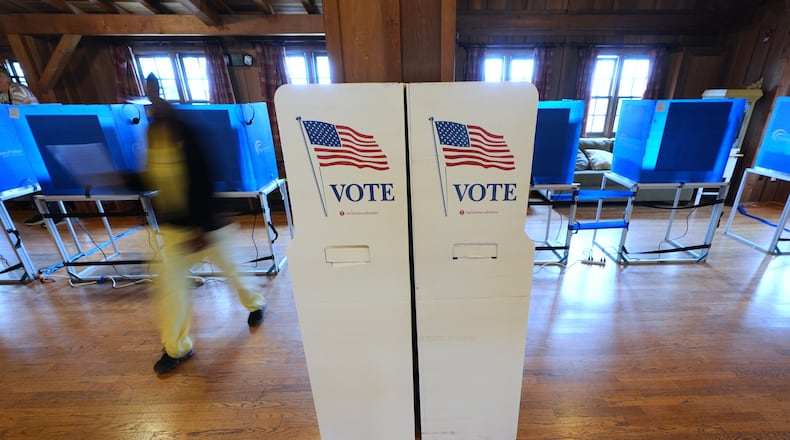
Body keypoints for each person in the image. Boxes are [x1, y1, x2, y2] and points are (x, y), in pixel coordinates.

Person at [139, 73, 266, 375]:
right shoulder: (152, 132)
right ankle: (177, 348)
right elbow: (151, 177)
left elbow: (205, 181)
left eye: (154, 94)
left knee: (234, 272)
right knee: (170, 292)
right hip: (173, 230)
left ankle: (256, 304)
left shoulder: (190, 133)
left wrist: (200, 229)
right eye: (148, 95)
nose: (151, 101)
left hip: (207, 228)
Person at [0, 67, 64, 225]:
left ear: (5, 78)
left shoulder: (20, 93)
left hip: (33, 139)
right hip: (18, 143)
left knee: (41, 177)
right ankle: (42, 212)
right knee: (27, 178)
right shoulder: (2, 96)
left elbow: (24, 118)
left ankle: (57, 213)